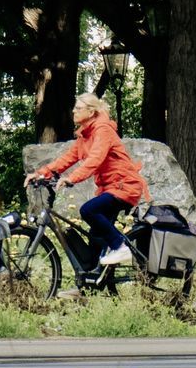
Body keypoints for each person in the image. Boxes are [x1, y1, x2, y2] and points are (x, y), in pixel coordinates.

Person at [30, 93, 149, 273]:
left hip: (125, 186)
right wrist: (41, 173)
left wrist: (72, 178)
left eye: (78, 108)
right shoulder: (84, 136)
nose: (73, 111)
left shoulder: (103, 130)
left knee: (88, 210)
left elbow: (95, 159)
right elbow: (67, 159)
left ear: (91, 111)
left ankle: (120, 247)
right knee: (95, 239)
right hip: (109, 189)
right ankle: (87, 284)